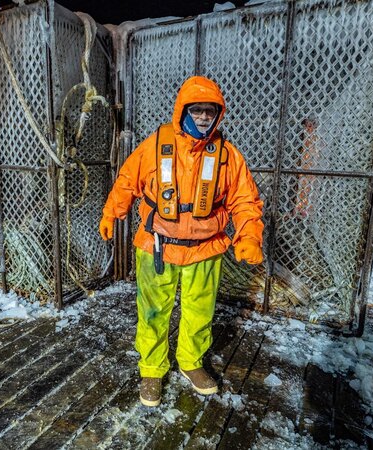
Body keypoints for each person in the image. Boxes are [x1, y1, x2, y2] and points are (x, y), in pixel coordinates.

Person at [98, 76, 264, 407]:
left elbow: (245, 200)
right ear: (182, 110)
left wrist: (249, 236)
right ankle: (152, 369)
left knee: (199, 312)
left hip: (206, 249)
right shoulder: (155, 146)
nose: (203, 117)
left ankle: (190, 362)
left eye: (210, 111)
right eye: (197, 109)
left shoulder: (228, 156)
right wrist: (111, 213)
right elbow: (128, 181)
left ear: (219, 115)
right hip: (156, 245)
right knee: (154, 311)